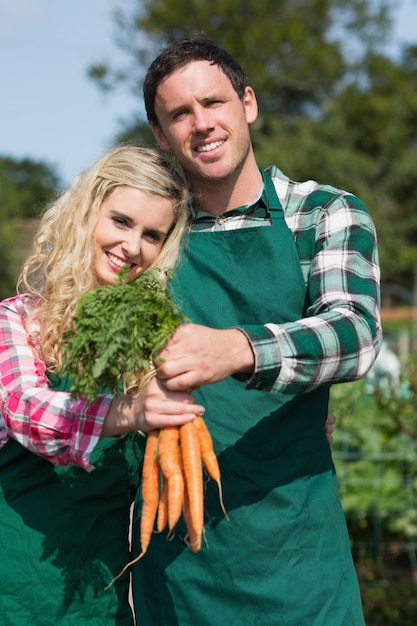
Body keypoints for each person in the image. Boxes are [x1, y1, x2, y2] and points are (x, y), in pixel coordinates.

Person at [131, 38, 382, 625]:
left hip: (296, 552)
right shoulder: (152, 234)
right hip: (178, 559)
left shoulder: (323, 213)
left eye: (213, 103)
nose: (202, 124)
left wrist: (237, 347)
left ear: (247, 103)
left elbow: (356, 333)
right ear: (161, 135)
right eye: (180, 114)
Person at [0, 145, 206, 626]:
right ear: (86, 214)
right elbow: (24, 408)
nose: (133, 247)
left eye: (152, 235)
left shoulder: (148, 345)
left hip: (103, 599)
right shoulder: (18, 320)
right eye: (120, 221)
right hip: (14, 592)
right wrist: (130, 413)